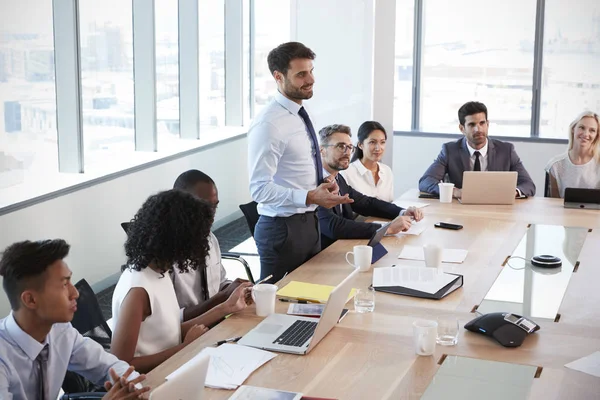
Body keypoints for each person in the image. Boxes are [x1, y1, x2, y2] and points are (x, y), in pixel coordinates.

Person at [111, 190, 252, 373]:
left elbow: (170, 332)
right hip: (152, 382)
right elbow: (121, 364)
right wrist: (187, 347)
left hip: (175, 367)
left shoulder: (161, 271)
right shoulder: (138, 290)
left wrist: (227, 307)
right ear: (178, 238)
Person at [248, 41, 352, 282]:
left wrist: (323, 183)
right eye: (301, 74)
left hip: (309, 223)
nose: (311, 79)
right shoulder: (269, 124)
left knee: (312, 297)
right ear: (278, 77)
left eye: (311, 71)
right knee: (279, 308)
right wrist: (309, 196)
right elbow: (259, 188)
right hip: (282, 230)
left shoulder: (302, 114)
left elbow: (298, 168)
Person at [0, 239, 149, 400]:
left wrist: (133, 388)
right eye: (64, 284)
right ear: (30, 300)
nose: (75, 293)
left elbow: (110, 366)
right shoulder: (3, 358)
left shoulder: (60, 330)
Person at [317, 124, 424, 249]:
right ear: (322, 150)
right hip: (324, 254)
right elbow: (333, 226)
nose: (347, 152)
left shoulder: (338, 178)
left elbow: (366, 203)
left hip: (342, 247)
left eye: (349, 147)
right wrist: (387, 228)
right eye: (341, 146)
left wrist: (402, 211)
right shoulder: (315, 183)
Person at [172, 169, 250, 321]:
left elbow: (218, 283)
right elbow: (173, 320)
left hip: (216, 324)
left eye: (214, 207)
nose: (211, 214)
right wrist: (222, 298)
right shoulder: (165, 256)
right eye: (204, 208)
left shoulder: (209, 239)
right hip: (184, 335)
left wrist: (233, 288)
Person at [418, 101, 536, 198]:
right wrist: (454, 192)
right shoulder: (449, 150)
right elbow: (426, 181)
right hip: (461, 211)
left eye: (482, 123)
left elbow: (528, 184)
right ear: (462, 128)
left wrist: (513, 192)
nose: (478, 129)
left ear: (487, 124)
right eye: (472, 125)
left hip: (497, 211)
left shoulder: (506, 150)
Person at [545, 111, 600, 198]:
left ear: (597, 135)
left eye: (592, 130)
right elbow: (553, 204)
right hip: (564, 212)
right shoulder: (555, 165)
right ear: (573, 129)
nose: (586, 134)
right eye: (582, 127)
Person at [341, 121, 394, 201]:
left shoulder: (387, 171)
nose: (378, 148)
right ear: (360, 145)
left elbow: (390, 204)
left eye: (382, 142)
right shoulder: (347, 173)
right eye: (372, 142)